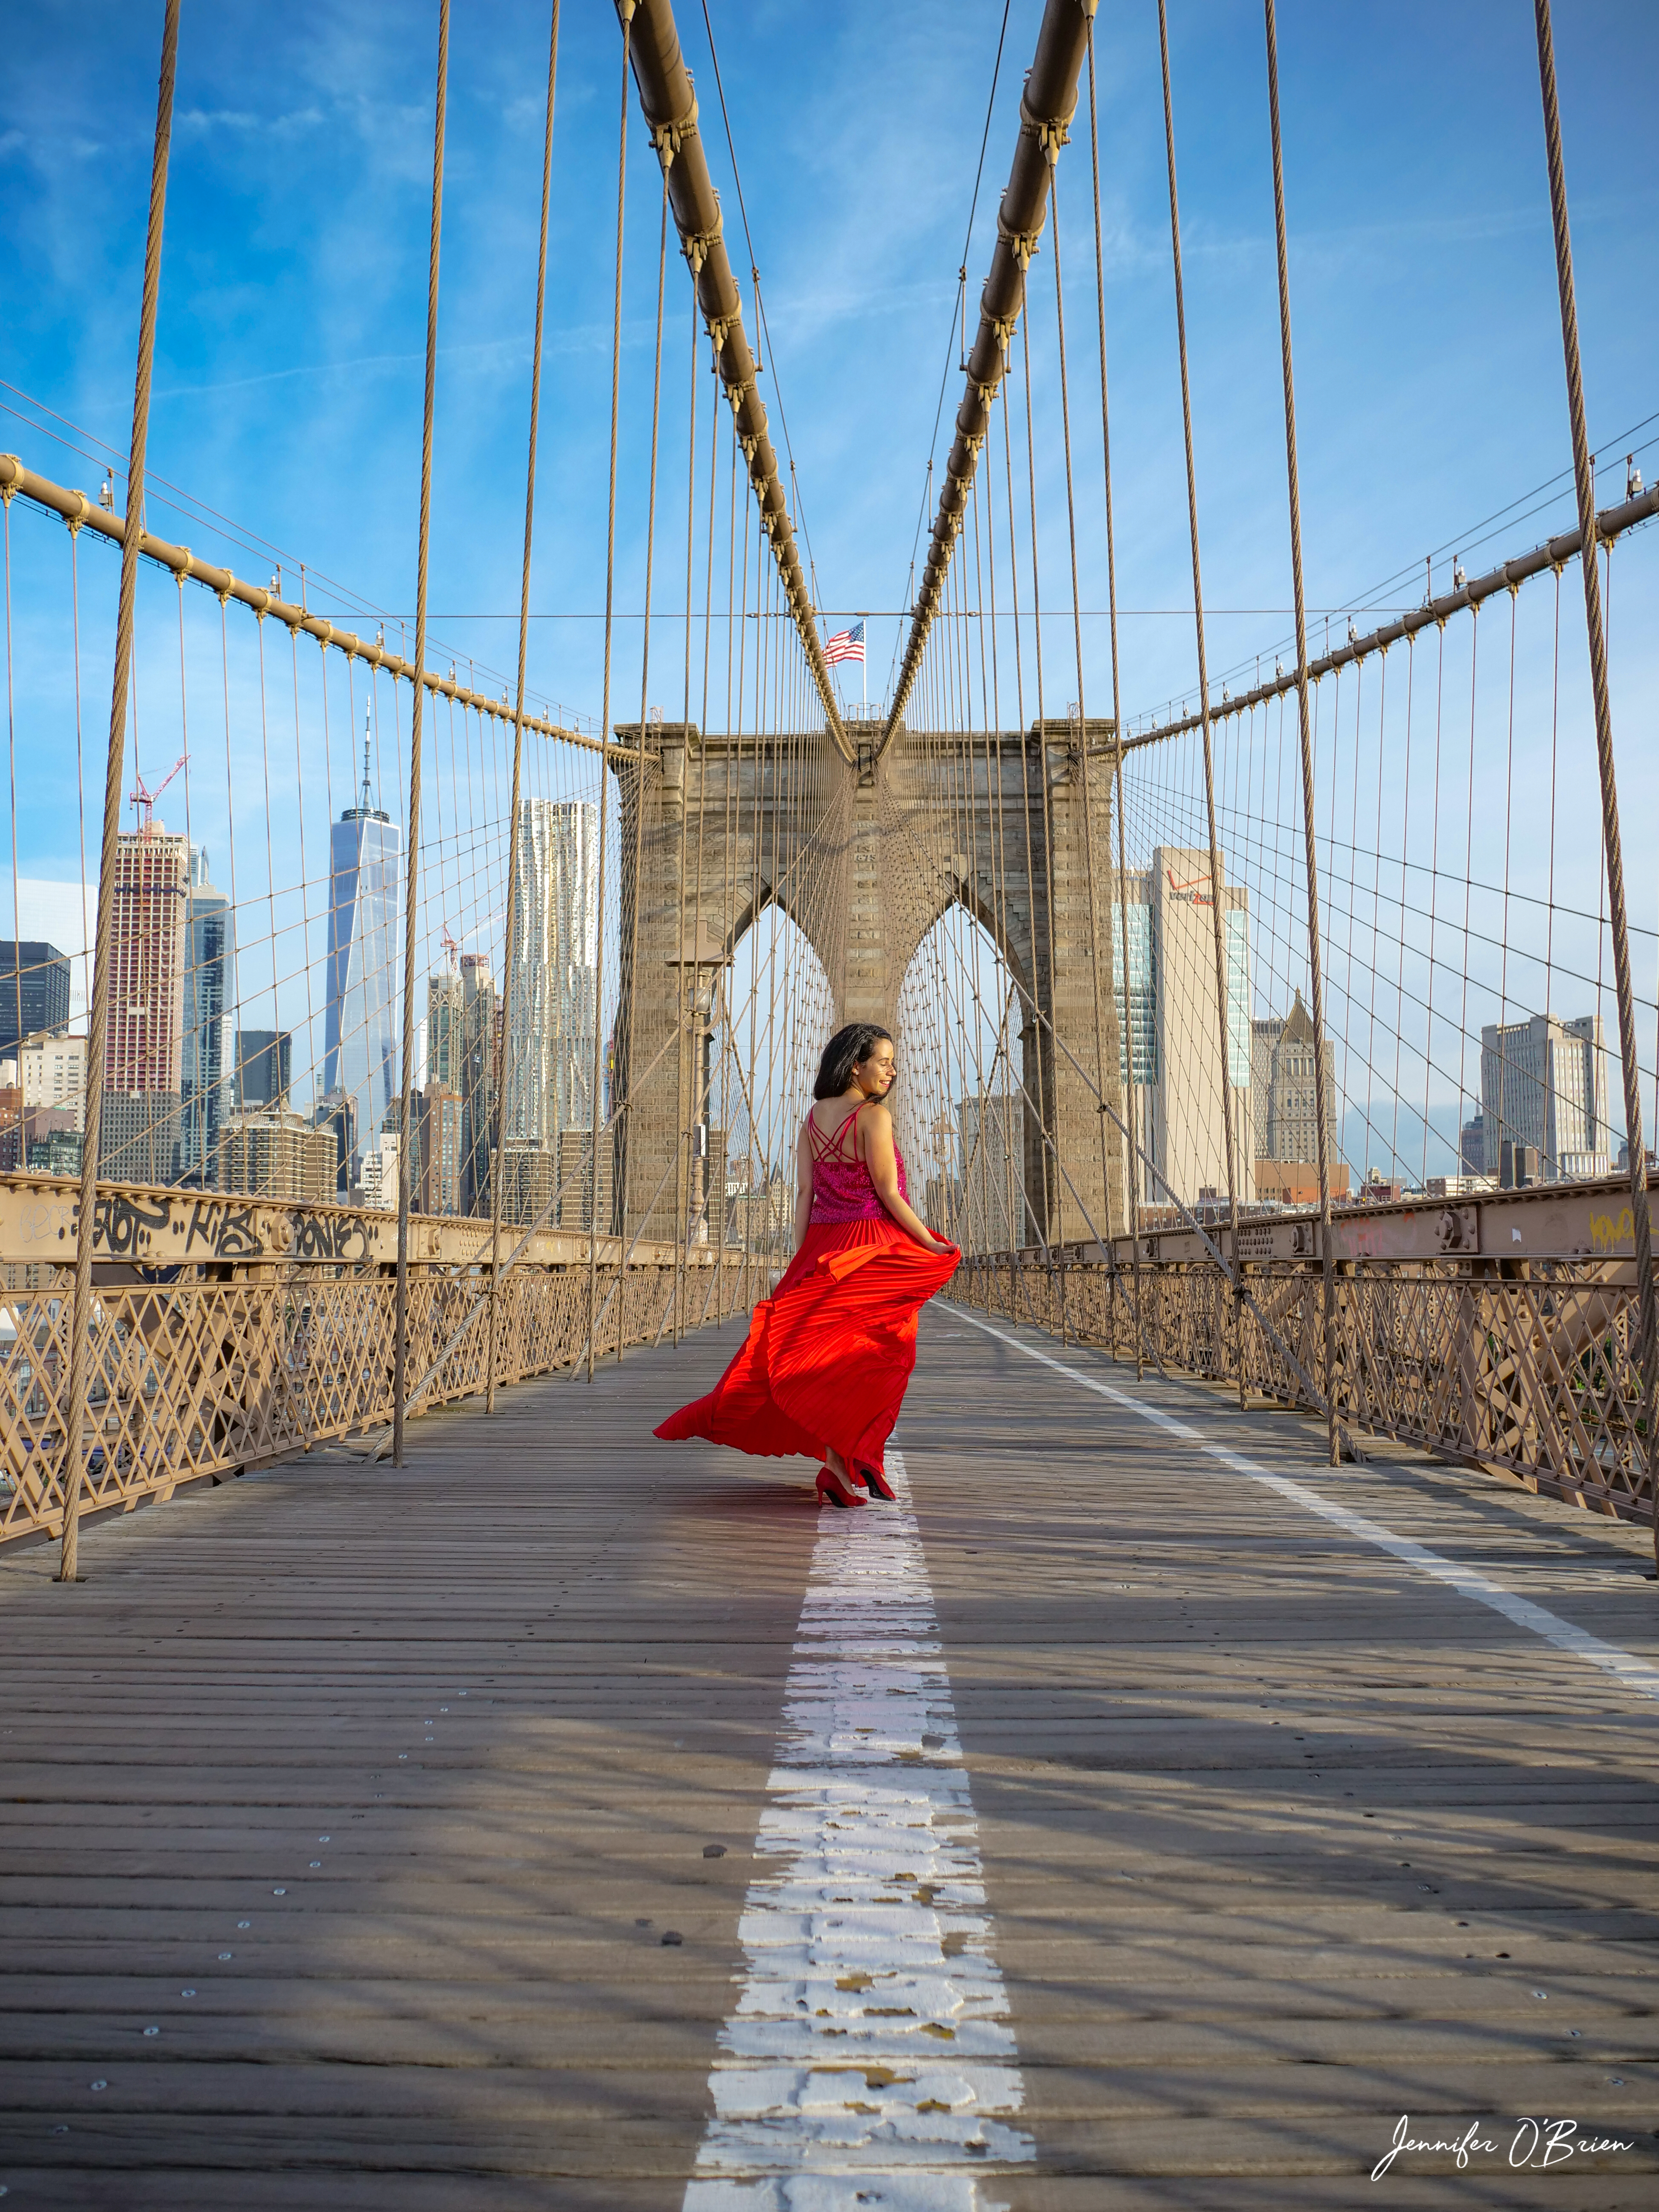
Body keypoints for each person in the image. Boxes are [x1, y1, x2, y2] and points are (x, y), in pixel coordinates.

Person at [654, 1022, 958, 1507]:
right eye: (883, 1061)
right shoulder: (875, 1118)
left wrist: (801, 1259)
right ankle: (859, 1456)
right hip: (870, 1248)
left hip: (821, 1246)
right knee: (884, 1354)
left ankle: (841, 1465)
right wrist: (931, 1243)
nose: (892, 1071)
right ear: (855, 1065)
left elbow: (803, 1194)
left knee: (826, 1362)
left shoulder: (813, 1120)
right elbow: (889, 1193)